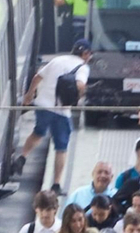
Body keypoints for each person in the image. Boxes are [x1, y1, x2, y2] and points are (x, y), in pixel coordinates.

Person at [22, 45, 91, 184]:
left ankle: (22, 157)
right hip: (61, 111)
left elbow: (37, 77)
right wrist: (77, 98)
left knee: (38, 132)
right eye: (89, 54)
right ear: (85, 53)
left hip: (42, 106)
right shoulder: (83, 67)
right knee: (61, 148)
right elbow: (80, 85)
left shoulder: (58, 60)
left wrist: (29, 95)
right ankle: (56, 183)